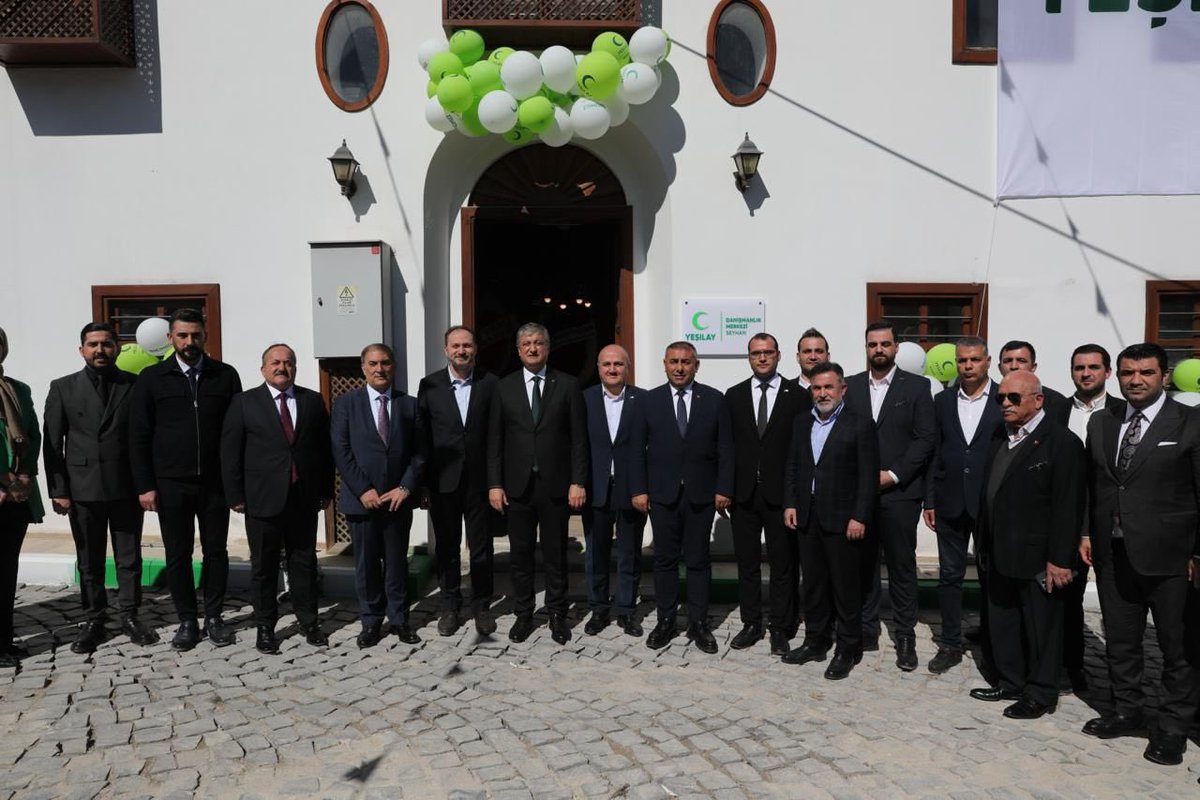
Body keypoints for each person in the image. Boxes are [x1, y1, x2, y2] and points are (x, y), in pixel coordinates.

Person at [1080, 342, 1200, 766]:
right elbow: (1093, 485)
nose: (1136, 380)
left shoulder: (1190, 423)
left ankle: (1172, 728)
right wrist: (1085, 533)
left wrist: (1197, 554)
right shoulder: (1101, 422)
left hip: (1171, 558)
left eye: (1146, 372)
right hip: (1114, 553)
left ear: (1164, 375)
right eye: (1129, 372)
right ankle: (1127, 710)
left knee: (1177, 648)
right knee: (1122, 641)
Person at [968, 370, 1085, 720]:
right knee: (1003, 622)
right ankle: (1010, 681)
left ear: (1038, 400)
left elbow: (1068, 505)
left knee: (1041, 629)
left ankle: (1041, 692)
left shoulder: (1061, 443)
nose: (1005, 403)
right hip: (998, 550)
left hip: (1038, 556)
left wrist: (1060, 559)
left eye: (1013, 398)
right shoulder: (999, 436)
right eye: (1000, 398)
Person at [129, 308, 242, 650]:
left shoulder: (225, 376)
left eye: (195, 335)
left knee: (216, 552)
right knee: (177, 555)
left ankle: (214, 617)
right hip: (171, 484)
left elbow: (236, 432)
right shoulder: (152, 378)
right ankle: (187, 620)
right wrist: (145, 484)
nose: (189, 342)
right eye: (182, 335)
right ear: (170, 338)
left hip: (215, 484)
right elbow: (138, 435)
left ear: (205, 336)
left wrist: (235, 483)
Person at [43, 322, 153, 653]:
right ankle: (94, 619)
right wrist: (58, 489)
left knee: (128, 557)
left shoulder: (133, 386)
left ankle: (130, 615)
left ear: (117, 348)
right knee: (89, 559)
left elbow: (142, 440)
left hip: (125, 487)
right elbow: (52, 443)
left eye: (106, 343)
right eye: (93, 344)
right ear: (82, 350)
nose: (100, 349)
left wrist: (146, 485)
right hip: (82, 488)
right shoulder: (62, 387)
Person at [221, 344, 333, 654]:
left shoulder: (311, 401)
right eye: (276, 362)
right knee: (264, 567)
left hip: (303, 497)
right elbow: (230, 452)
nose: (282, 367)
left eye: (288, 362)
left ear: (295, 367)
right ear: (263, 368)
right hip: (261, 499)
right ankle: (265, 626)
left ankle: (309, 621)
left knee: (304, 563)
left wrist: (325, 490)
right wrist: (235, 495)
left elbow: (323, 450)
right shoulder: (244, 402)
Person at [630, 341, 734, 654]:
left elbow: (726, 448)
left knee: (699, 560)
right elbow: (636, 449)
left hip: (701, 495)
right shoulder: (649, 401)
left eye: (686, 362)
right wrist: (639, 489)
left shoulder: (714, 399)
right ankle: (666, 620)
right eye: (674, 361)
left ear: (696, 365)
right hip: (662, 495)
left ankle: (699, 623)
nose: (679, 367)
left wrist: (724, 488)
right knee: (664, 560)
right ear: (664, 364)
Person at [487, 323, 588, 645]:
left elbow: (578, 441)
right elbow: (495, 442)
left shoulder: (568, 385)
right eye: (526, 344)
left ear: (548, 347)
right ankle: (524, 614)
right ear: (518, 350)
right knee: (521, 555)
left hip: (556, 486)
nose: (532, 348)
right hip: (517, 488)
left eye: (538, 343)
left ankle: (557, 614)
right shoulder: (503, 388)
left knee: (556, 555)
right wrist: (494, 484)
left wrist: (578, 481)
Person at [844, 320, 935, 670]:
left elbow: (924, 438)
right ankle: (866, 630)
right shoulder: (850, 387)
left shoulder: (917, 387)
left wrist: (894, 474)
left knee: (901, 567)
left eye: (884, 344)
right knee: (863, 563)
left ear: (896, 347)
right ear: (866, 348)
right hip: (860, 494)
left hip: (900, 493)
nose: (878, 350)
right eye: (872, 345)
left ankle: (905, 636)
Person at [782, 363, 878, 679]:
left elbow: (867, 477)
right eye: (816, 388)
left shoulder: (860, 425)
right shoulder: (800, 423)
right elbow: (794, 466)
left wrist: (859, 516)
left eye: (828, 387)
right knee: (813, 585)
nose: (822, 393)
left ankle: (848, 648)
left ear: (842, 389)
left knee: (845, 588)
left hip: (843, 520)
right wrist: (791, 503)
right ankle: (816, 641)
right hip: (808, 517)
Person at [331, 343, 425, 649]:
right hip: (363, 502)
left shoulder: (409, 404)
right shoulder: (346, 403)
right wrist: (363, 490)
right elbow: (341, 451)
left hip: (398, 499)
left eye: (385, 362)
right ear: (363, 368)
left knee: (397, 562)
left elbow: (421, 453)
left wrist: (406, 487)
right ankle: (371, 621)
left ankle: (399, 619)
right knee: (367, 565)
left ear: (393, 366)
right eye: (373, 363)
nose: (379, 369)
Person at [1047, 343, 1125, 694]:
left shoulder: (1124, 411)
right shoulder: (1055, 409)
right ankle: (1072, 667)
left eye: (1093, 367)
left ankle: (1122, 679)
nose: (1086, 373)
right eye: (1079, 367)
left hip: (1114, 522)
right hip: (1067, 519)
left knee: (1120, 604)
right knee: (1067, 600)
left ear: (1107, 372)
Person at [923, 336, 1003, 675]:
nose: (967, 366)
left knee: (993, 576)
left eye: (974, 360)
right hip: (950, 500)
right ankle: (951, 642)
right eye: (962, 361)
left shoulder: (1004, 398)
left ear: (987, 362)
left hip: (990, 501)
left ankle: (993, 640)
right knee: (950, 576)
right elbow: (934, 451)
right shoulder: (941, 401)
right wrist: (930, 498)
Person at [725, 333, 807, 654]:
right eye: (756, 353)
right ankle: (751, 623)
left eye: (768, 353)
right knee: (747, 563)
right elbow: (727, 447)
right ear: (749, 357)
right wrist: (725, 489)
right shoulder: (733, 396)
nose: (762, 358)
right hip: (743, 495)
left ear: (779, 355)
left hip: (781, 497)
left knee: (783, 564)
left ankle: (780, 626)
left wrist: (795, 497)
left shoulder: (797, 396)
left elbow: (801, 451)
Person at [417, 325, 499, 637]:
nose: (461, 350)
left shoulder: (490, 383)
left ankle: (481, 605)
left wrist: (495, 482)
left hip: (479, 483)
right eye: (455, 345)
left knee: (481, 548)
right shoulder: (430, 385)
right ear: (445, 349)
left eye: (467, 345)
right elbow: (422, 436)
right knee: (447, 547)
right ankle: (449, 605)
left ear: (475, 348)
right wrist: (423, 483)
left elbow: (495, 437)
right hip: (442, 482)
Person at [581, 344, 647, 637]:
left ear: (627, 367)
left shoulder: (643, 400)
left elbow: (650, 448)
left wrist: (643, 488)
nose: (612, 369)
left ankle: (626, 610)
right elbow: (577, 447)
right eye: (606, 364)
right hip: (595, 488)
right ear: (598, 368)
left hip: (631, 489)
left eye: (618, 364)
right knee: (596, 551)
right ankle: (598, 609)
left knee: (630, 552)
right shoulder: (584, 400)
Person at [0, 327, 43, 667]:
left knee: (6, 568)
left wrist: (25, 475)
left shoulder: (18, 389)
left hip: (18, 493)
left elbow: (33, 434)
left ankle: (5, 638)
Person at [998, 340, 1069, 418]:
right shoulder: (989, 399)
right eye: (1008, 361)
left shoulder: (1055, 402)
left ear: (1033, 367)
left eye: (1021, 361)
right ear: (999, 367)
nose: (1014, 366)